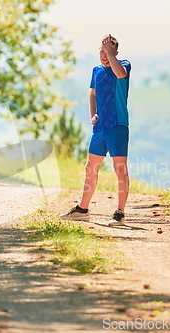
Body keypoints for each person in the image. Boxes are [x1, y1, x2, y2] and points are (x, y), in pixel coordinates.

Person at [61, 34, 131, 226]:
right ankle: (82, 209)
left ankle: (120, 213)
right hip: (100, 127)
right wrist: (93, 113)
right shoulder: (96, 70)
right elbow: (92, 94)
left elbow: (120, 74)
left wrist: (110, 52)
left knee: (120, 169)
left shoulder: (123, 65)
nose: (104, 55)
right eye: (101, 51)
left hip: (117, 125)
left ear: (115, 52)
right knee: (90, 167)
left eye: (108, 51)